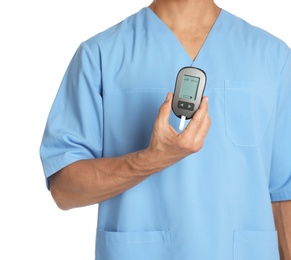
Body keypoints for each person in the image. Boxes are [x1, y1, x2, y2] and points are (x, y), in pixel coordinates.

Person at [40, 0, 291, 259]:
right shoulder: (101, 55)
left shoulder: (273, 58)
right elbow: (64, 189)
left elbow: (284, 189)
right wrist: (149, 160)